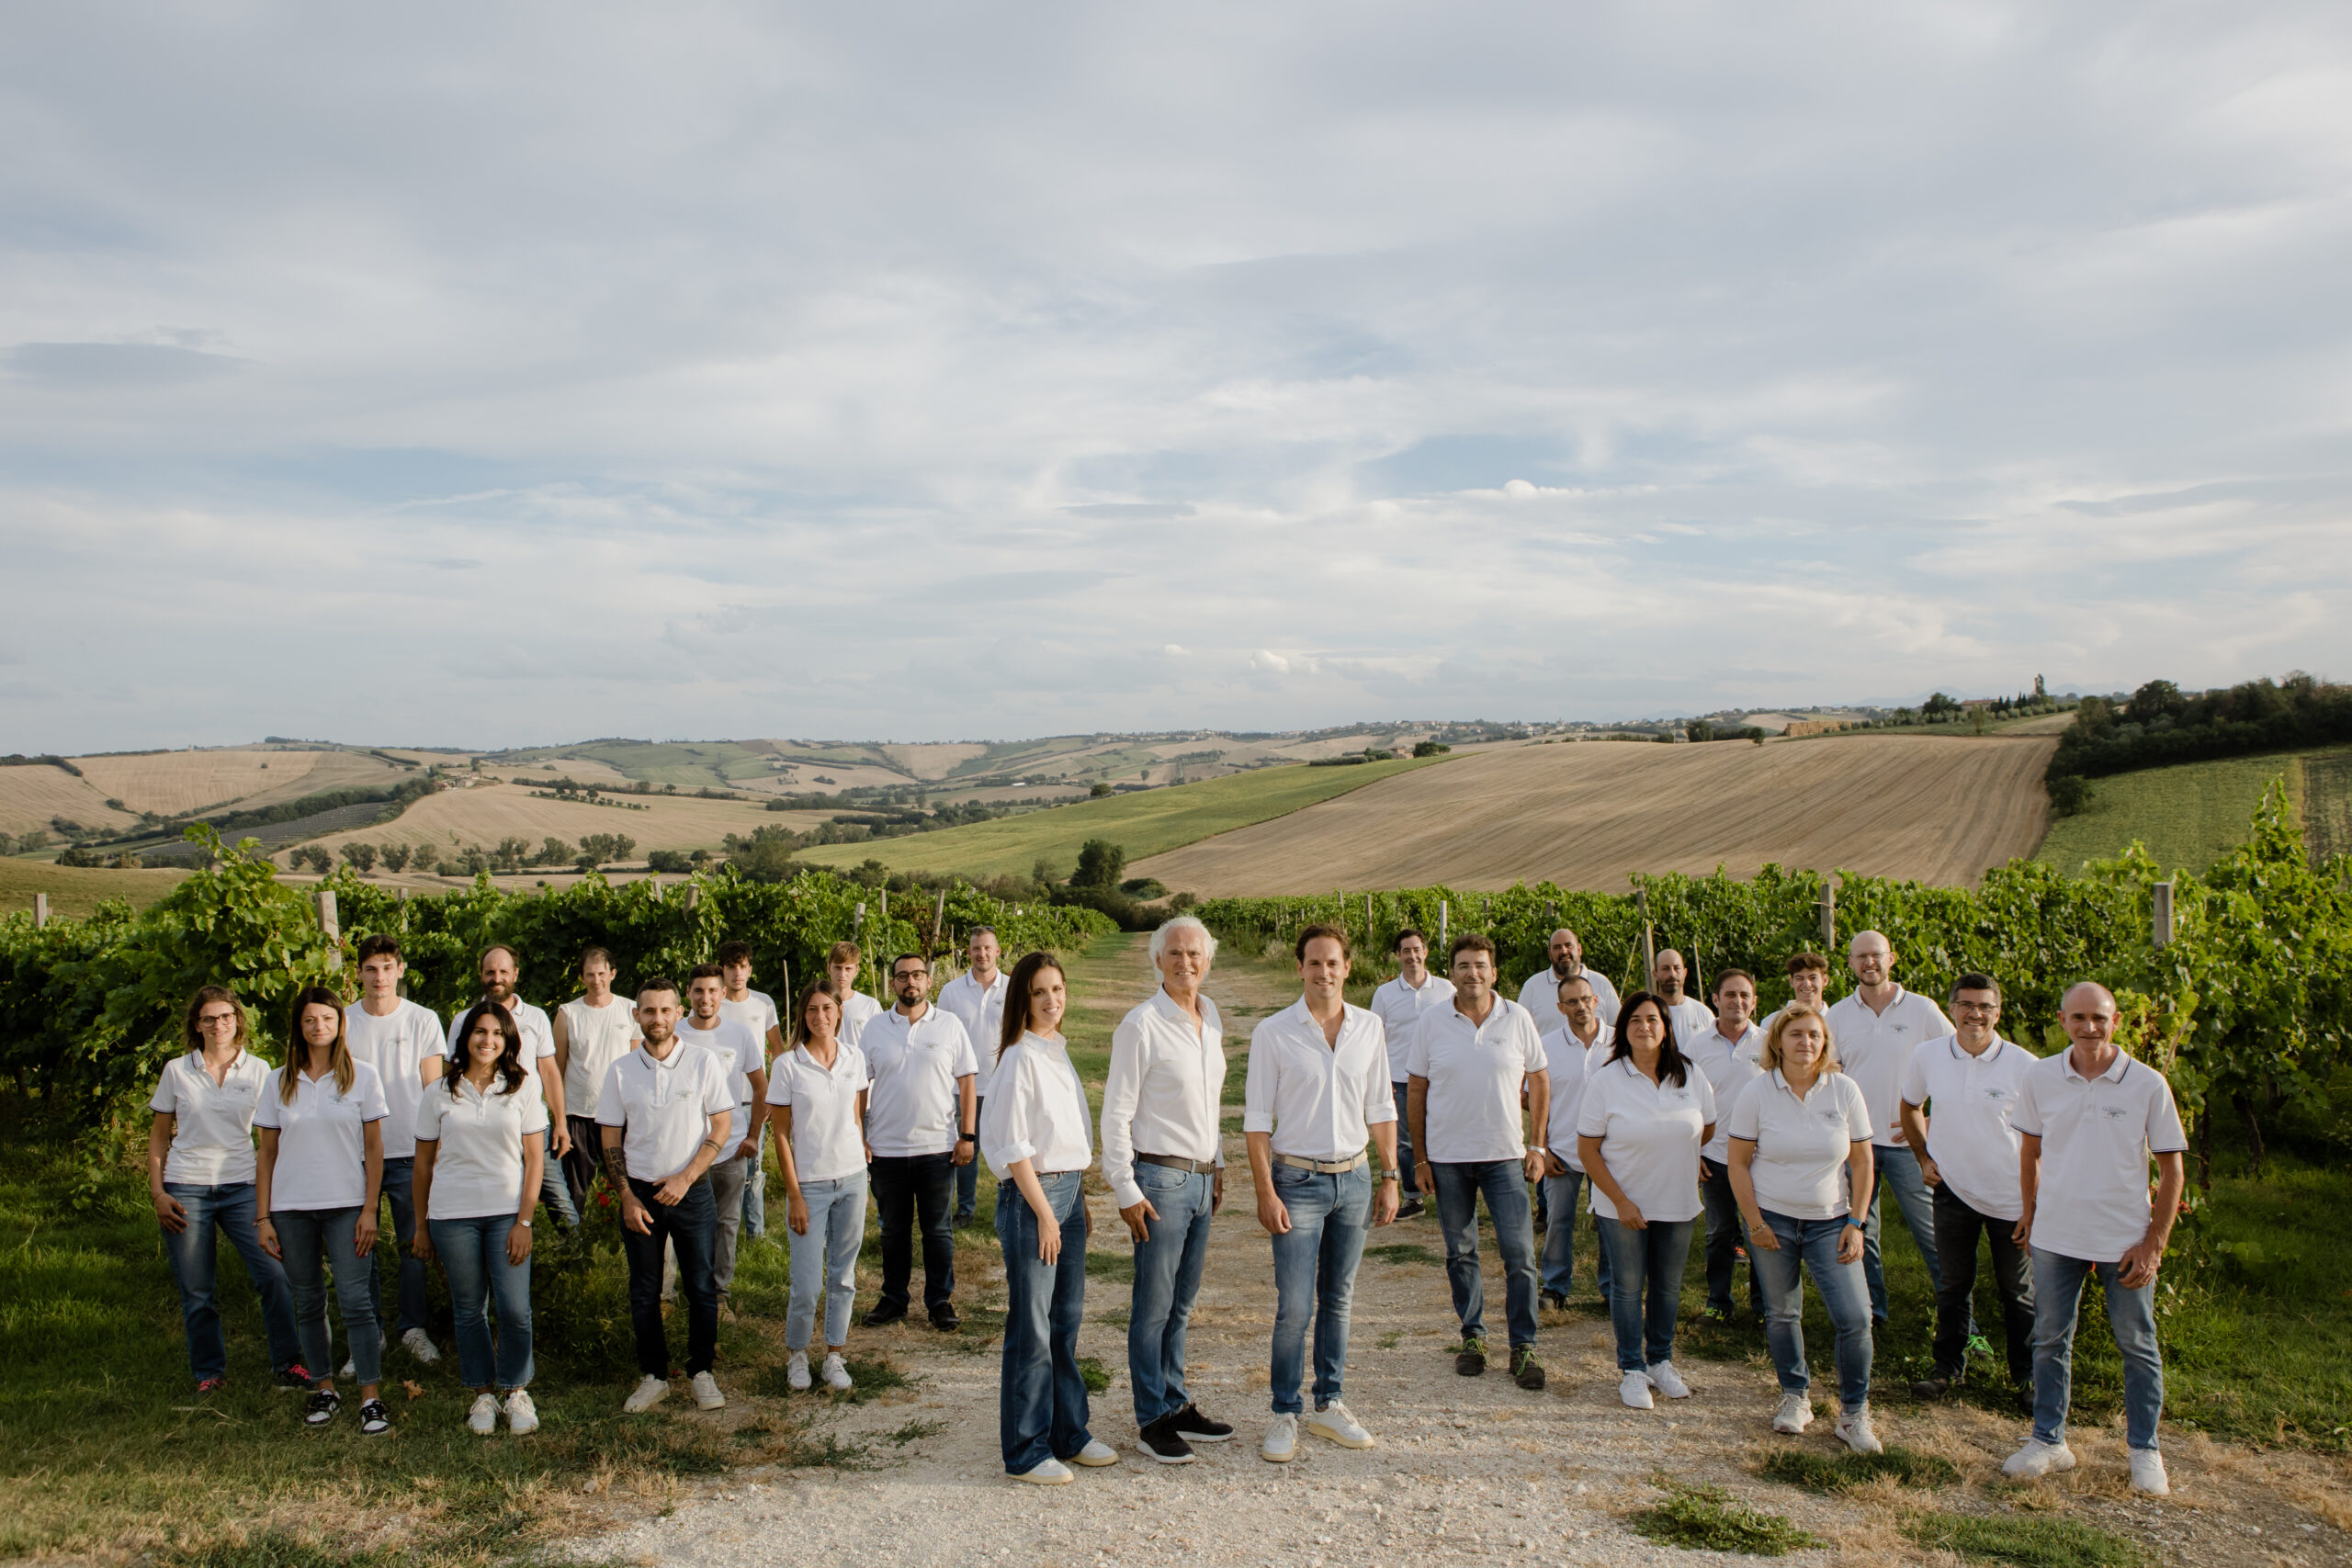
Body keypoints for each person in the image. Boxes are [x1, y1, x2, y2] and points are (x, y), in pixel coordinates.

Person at [2002, 982, 2188, 1497]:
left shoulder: (2147, 1083)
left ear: (2116, 1021)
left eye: (2099, 1018)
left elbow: (2172, 1171)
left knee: (2137, 1343)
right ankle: (2048, 1441)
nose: (2089, 1027)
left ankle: (2145, 1450)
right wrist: (2030, 1215)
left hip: (2124, 1240)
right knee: (2049, 1339)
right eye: (2079, 1017)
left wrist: (2153, 1244)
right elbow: (2030, 1153)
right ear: (2062, 1020)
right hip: (2056, 1236)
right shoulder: (2041, 1076)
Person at [1245, 923, 1400, 1463]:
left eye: (1333, 963)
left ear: (1347, 968)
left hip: (1355, 1180)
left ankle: (1329, 1402)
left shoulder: (1369, 1027)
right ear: (1300, 968)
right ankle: (1284, 1411)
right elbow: (1257, 1122)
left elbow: (1381, 1106)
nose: (1324, 972)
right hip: (1297, 1183)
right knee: (1294, 1305)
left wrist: (1389, 1176)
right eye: (1314, 962)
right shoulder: (1273, 1032)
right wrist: (1265, 1191)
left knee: (1339, 1297)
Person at [981, 952, 1121, 1484]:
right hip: (1032, 1199)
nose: (1051, 999)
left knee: (1065, 1322)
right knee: (1032, 1327)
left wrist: (1076, 1201)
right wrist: (1045, 1213)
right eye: (1039, 991)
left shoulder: (1056, 1051)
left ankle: (1069, 1432)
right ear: (1023, 997)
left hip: (1068, 1192)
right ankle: (1026, 1450)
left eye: (1057, 989)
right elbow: (1014, 1147)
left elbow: (1065, 1135)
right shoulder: (1019, 1058)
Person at [1102, 916, 1233, 1463]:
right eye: (1175, 953)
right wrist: (1125, 1187)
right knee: (1153, 1307)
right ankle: (1151, 1418)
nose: (1185, 962)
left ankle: (1175, 1403)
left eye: (1194, 953)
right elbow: (1116, 1113)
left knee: (1181, 1305)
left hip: (1200, 1180)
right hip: (1160, 1181)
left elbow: (1209, 1102)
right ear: (1158, 960)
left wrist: (1218, 1162)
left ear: (1208, 960)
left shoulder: (1211, 1015)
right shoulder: (1141, 1025)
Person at [1725, 1004, 1879, 1452]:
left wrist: (1856, 1222)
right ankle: (1795, 1396)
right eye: (1796, 1034)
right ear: (1778, 1041)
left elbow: (1862, 1162)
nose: (1806, 1042)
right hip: (1772, 1219)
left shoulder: (1844, 1089)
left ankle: (1853, 1413)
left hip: (1832, 1222)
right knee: (1782, 1313)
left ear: (1825, 1042)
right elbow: (1737, 1164)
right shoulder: (1757, 1092)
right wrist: (1754, 1223)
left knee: (1856, 1317)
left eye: (1814, 1034)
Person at [1407, 932, 1550, 1392]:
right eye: (1464, 965)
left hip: (1505, 1156)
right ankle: (1473, 1337)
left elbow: (1539, 1079)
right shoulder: (1432, 1021)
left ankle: (1523, 1346)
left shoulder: (1517, 1017)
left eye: (1480, 965)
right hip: (1448, 1159)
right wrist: (1421, 1158)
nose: (1473, 973)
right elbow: (1416, 1090)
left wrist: (1538, 1146)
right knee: (1461, 1252)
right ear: (1451, 973)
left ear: (1494, 972)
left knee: (1520, 1255)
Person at [148, 986, 304, 1392]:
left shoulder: (259, 1069)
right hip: (186, 1187)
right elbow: (159, 1137)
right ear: (197, 1025)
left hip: (243, 1186)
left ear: (237, 1021)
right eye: (209, 1018)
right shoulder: (177, 1070)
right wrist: (158, 1193)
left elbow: (271, 1139)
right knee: (197, 1290)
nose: (218, 1025)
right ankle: (209, 1373)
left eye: (225, 1017)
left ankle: (289, 1364)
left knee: (274, 1275)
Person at [254, 987, 391, 1434]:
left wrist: (370, 1209)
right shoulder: (278, 1080)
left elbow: (374, 1149)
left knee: (356, 1302)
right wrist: (262, 1217)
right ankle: (325, 1388)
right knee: (309, 1301)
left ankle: (370, 1397)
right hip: (290, 1208)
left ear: (339, 1024)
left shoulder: (363, 1077)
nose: (319, 1027)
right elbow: (266, 1154)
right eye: (310, 1020)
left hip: (347, 1207)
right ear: (299, 1026)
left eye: (328, 1019)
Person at [598, 978, 734, 1414]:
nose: (657, 1019)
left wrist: (686, 1177)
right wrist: (626, 1195)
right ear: (636, 1015)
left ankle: (701, 1372)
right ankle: (654, 1376)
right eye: (648, 1011)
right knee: (644, 1290)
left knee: (700, 1286)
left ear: (679, 1013)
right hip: (640, 1192)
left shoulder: (702, 1061)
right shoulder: (621, 1070)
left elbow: (722, 1125)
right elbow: (610, 1137)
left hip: (691, 1190)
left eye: (664, 1010)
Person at [1900, 973, 2036, 1404]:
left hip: (2011, 1198)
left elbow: (2043, 1137)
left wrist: (2034, 1202)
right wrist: (1923, 1158)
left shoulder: (2025, 1066)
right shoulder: (1928, 1055)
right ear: (1952, 1008)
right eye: (1967, 1005)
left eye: (1985, 1006)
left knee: (2017, 1291)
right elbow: (1909, 1106)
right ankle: (1946, 1370)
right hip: (1953, 1191)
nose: (1976, 1014)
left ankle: (2028, 1378)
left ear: (1998, 1012)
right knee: (1953, 1285)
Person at [1577, 990, 1716, 1410]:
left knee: (1667, 1288)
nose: (1644, 1027)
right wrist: (1621, 1202)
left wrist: (1679, 1154)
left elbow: (1706, 1127)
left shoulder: (1690, 1074)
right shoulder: (1606, 1080)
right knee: (1627, 1288)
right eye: (1635, 1020)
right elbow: (1587, 1150)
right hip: (1621, 1204)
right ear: (1623, 1029)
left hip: (1676, 1200)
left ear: (1666, 1028)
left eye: (1652, 1019)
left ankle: (1660, 1360)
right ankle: (1632, 1369)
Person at [413, 1000, 547, 1435]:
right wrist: (420, 1226)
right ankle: (482, 1395)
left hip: (507, 1215)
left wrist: (524, 1221)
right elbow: (422, 1165)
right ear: (465, 1037)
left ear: (508, 1040)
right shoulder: (438, 1091)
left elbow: (534, 1159)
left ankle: (516, 1391)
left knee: (515, 1309)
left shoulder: (522, 1087)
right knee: (469, 1310)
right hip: (452, 1216)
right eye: (480, 1031)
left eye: (497, 1033)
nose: (488, 1040)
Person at [1825, 931, 1954, 1325]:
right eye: (1861, 956)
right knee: (1862, 1233)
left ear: (1891, 958)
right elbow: (1829, 1074)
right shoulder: (1838, 1016)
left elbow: (1957, 1062)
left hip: (1907, 1145)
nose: (1869, 963)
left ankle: (1963, 1326)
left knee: (1934, 1238)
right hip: (1856, 1145)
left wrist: (1931, 1119)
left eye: (1876, 955)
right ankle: (1872, 1314)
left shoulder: (1922, 1009)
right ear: (1850, 963)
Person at [345, 934, 448, 1368]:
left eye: (388, 967)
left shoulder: (422, 1020)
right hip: (355, 1153)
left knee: (415, 1244)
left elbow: (433, 1090)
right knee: (359, 1245)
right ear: (358, 974)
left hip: (409, 1150)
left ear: (400, 970)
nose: (380, 977)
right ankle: (369, 1334)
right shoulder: (343, 1021)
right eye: (371, 969)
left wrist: (436, 1150)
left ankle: (413, 1329)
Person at [765, 979, 873, 1393]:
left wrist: (861, 1149)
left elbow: (857, 1115)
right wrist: (794, 1194)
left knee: (843, 1276)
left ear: (839, 1012)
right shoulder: (787, 1065)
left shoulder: (854, 1057)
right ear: (802, 1015)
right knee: (807, 1283)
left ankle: (833, 1355)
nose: (820, 1016)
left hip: (852, 1180)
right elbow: (780, 1134)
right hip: (809, 1185)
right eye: (812, 1009)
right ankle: (797, 1354)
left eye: (827, 1008)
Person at [862, 953, 978, 1331]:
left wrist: (967, 1136)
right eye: (902, 976)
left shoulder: (949, 1025)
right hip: (886, 1149)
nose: (910, 981)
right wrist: (859, 1135)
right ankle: (894, 1299)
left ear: (928, 981)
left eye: (917, 975)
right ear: (892, 983)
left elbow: (967, 1082)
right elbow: (859, 1086)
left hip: (937, 1147)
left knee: (938, 1231)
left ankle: (939, 1301)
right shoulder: (875, 1028)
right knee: (892, 1231)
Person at [448, 946, 577, 1227]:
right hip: (485, 1127)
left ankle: (573, 1253)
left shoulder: (535, 1017)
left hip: (533, 1125)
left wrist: (560, 1123)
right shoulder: (463, 1020)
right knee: (494, 1200)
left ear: (515, 974)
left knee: (559, 1202)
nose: (496, 978)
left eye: (503, 972)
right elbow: (453, 1073)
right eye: (490, 972)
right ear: (481, 975)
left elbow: (549, 1072)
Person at [682, 964, 768, 1320]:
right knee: (677, 1226)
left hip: (730, 1149)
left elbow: (761, 1087)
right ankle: (669, 1295)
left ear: (722, 994)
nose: (705, 998)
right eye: (698, 991)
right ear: (689, 994)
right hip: (684, 1151)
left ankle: (719, 1296)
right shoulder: (675, 1033)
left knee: (727, 1223)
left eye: (712, 991)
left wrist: (752, 1135)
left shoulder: (739, 1035)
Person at [1688, 969, 1765, 1322]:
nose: (1738, 1001)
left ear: (1754, 1002)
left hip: (1761, 1159)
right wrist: (1693, 1152)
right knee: (1718, 1233)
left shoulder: (1769, 1044)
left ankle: (1764, 1308)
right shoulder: (1696, 1047)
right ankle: (1719, 1304)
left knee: (1759, 1230)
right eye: (1730, 995)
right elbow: (1685, 1101)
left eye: (1744, 995)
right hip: (1715, 1156)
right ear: (1715, 999)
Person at [1536, 973, 1611, 1309]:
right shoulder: (1546, 1046)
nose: (1580, 1006)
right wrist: (1542, 1148)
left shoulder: (1619, 1043)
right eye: (1572, 1002)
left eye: (1585, 999)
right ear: (1561, 1007)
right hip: (1563, 1152)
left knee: (1611, 1224)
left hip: (1610, 1153)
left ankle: (1613, 1289)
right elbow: (1533, 1099)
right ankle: (1554, 1288)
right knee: (1558, 1222)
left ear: (1596, 1001)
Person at [1369, 928, 1451, 1219]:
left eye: (1417, 950)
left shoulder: (1446, 990)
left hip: (1440, 1079)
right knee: (1405, 1142)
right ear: (1398, 956)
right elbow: (1374, 1038)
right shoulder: (1385, 994)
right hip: (1400, 1079)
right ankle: (1413, 1198)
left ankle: (1451, 1198)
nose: (1412, 956)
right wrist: (1382, 1078)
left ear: (1425, 952)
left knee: (1444, 1138)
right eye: (1406, 951)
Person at [553, 946, 640, 1213]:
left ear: (612, 973)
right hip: (578, 1112)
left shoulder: (631, 1010)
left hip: (620, 1113)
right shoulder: (568, 1013)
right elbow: (555, 1069)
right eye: (590, 974)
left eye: (601, 973)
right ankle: (573, 1233)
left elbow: (637, 1065)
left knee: (628, 1181)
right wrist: (558, 1118)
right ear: (582, 977)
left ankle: (629, 1227)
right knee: (576, 1187)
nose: (596, 980)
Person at [938, 927, 1009, 1224]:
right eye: (976, 948)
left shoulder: (1013, 988)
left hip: (1003, 1084)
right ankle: (964, 1210)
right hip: (962, 1087)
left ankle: (1010, 1207)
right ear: (968, 953)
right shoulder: (951, 992)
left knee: (1009, 1148)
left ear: (998, 951)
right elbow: (940, 1039)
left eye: (987, 948)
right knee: (965, 1150)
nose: (982, 954)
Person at [717, 941, 783, 1240]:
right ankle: (720, 1230)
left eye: (742, 966)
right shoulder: (714, 1003)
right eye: (731, 967)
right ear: (722, 970)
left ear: (750, 969)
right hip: (721, 1101)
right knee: (720, 1169)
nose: (737, 973)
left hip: (755, 1098)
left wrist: (774, 1095)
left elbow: (777, 1050)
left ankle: (756, 1235)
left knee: (753, 1170)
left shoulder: (763, 1003)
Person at [1518, 927, 1621, 1029]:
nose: (1563, 951)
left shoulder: (1601, 983)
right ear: (1550, 953)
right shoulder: (1532, 986)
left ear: (1579, 949)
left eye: (1568, 945)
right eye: (1557, 947)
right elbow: (1519, 1028)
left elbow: (1618, 1027)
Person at [1758, 952, 1832, 1041]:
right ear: (1791, 981)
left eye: (1813, 978)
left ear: (1825, 980)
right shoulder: (1771, 1023)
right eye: (1800, 978)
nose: (1807, 984)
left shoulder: (1837, 1021)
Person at [1649, 949, 1714, 1043]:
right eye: (1665, 969)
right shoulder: (1647, 1013)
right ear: (1655, 974)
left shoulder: (1703, 1013)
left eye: (1677, 968)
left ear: (1685, 973)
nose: (1672, 974)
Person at [826, 941, 885, 1044]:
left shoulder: (870, 1006)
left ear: (856, 971)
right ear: (828, 968)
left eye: (848, 968)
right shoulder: (817, 1005)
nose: (842, 974)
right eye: (838, 968)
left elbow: (881, 1043)